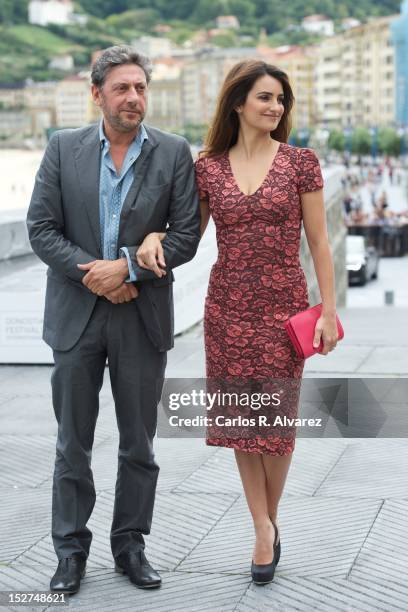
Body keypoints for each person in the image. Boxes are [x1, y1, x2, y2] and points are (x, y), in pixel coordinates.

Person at [136, 59, 339, 585]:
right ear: (238, 103)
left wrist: (330, 314)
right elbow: (187, 235)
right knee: (242, 424)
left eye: (280, 101)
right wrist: (156, 236)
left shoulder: (300, 163)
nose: (275, 108)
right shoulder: (208, 168)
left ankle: (268, 522)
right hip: (227, 309)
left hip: (285, 307)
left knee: (276, 423)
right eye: (266, 98)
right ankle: (262, 527)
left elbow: (319, 243)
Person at [26, 45, 201, 594]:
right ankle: (69, 553)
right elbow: (41, 228)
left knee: (139, 444)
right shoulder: (63, 148)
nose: (134, 97)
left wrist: (126, 269)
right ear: (97, 93)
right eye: (122, 88)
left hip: (140, 318)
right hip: (76, 317)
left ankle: (130, 547)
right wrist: (93, 273)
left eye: (141, 87)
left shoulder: (173, 153)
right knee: (71, 442)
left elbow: (186, 235)